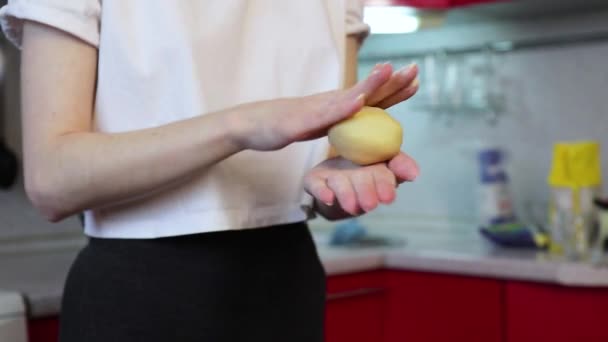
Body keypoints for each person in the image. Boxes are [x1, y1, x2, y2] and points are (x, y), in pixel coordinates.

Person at [0, 1, 419, 341]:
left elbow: (321, 172)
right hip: (141, 292)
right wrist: (241, 126)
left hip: (288, 282)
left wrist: (342, 180)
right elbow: (51, 181)